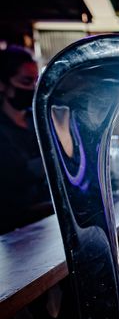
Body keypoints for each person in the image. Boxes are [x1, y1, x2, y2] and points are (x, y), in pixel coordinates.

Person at [0, 47, 52, 234]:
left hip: (48, 222)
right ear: (3, 84)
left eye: (36, 81)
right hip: (13, 230)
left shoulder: (37, 120)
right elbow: (17, 174)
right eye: (26, 81)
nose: (32, 88)